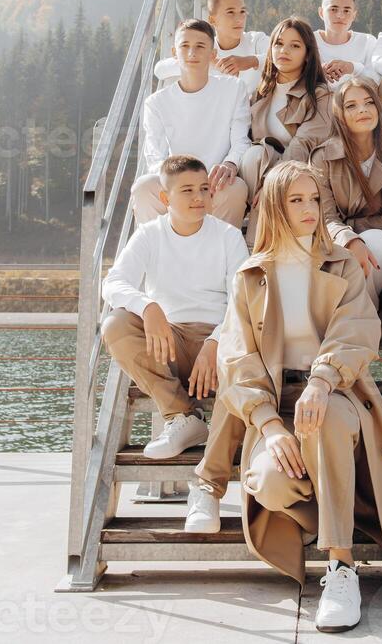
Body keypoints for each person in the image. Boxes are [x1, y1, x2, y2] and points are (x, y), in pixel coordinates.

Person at [216, 161, 382, 633]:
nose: (309, 209)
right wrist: (267, 424)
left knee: (322, 422)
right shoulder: (249, 275)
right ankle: (338, 508)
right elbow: (235, 356)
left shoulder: (341, 263)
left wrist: (321, 382)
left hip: (337, 392)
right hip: (276, 402)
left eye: (313, 199)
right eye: (296, 200)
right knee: (268, 481)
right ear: (274, 207)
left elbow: (358, 331)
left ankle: (341, 566)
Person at [101, 155, 249, 534]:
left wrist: (216, 342)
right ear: (165, 199)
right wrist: (147, 306)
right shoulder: (150, 235)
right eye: (187, 190)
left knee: (242, 365)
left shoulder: (228, 237)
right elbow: (114, 283)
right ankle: (181, 416)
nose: (199, 197)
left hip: (219, 344)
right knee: (116, 323)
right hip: (168, 339)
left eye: (204, 189)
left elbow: (244, 301)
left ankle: (207, 489)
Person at [132, 18, 250, 228]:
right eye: (184, 46)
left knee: (237, 187)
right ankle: (154, 252)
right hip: (177, 181)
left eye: (200, 46)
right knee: (143, 187)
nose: (191, 53)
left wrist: (229, 164)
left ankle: (222, 255)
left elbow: (241, 141)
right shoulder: (156, 103)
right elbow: (154, 157)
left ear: (213, 54)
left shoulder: (234, 89)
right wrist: (182, 182)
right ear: (174, 53)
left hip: (216, 181)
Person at [310, 76, 382, 308]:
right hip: (336, 237)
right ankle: (361, 323)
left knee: (370, 248)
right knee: (350, 256)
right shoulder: (322, 157)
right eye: (351, 106)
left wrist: (356, 235)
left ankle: (359, 323)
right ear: (340, 114)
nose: (362, 110)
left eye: (369, 103)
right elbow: (326, 216)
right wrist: (350, 239)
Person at [239, 16, 333, 245]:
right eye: (279, 43)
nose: (284, 50)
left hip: (302, 168)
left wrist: (273, 182)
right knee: (253, 155)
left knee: (263, 163)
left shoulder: (320, 94)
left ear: (308, 53)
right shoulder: (261, 91)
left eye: (295, 45)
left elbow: (305, 142)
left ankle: (256, 245)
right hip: (262, 170)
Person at [154, 0, 269, 94]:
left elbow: (280, 56)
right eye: (230, 12)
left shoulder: (256, 40)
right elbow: (160, 70)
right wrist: (209, 61)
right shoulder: (204, 48)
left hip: (253, 109)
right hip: (216, 109)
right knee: (175, 79)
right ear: (212, 20)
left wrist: (250, 61)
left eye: (242, 12)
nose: (239, 19)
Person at [314, 0, 378, 90]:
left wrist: (351, 68)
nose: (340, 15)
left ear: (354, 15)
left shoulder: (367, 41)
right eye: (333, 9)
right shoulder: (308, 41)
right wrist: (316, 72)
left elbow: (377, 81)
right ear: (321, 13)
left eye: (347, 11)